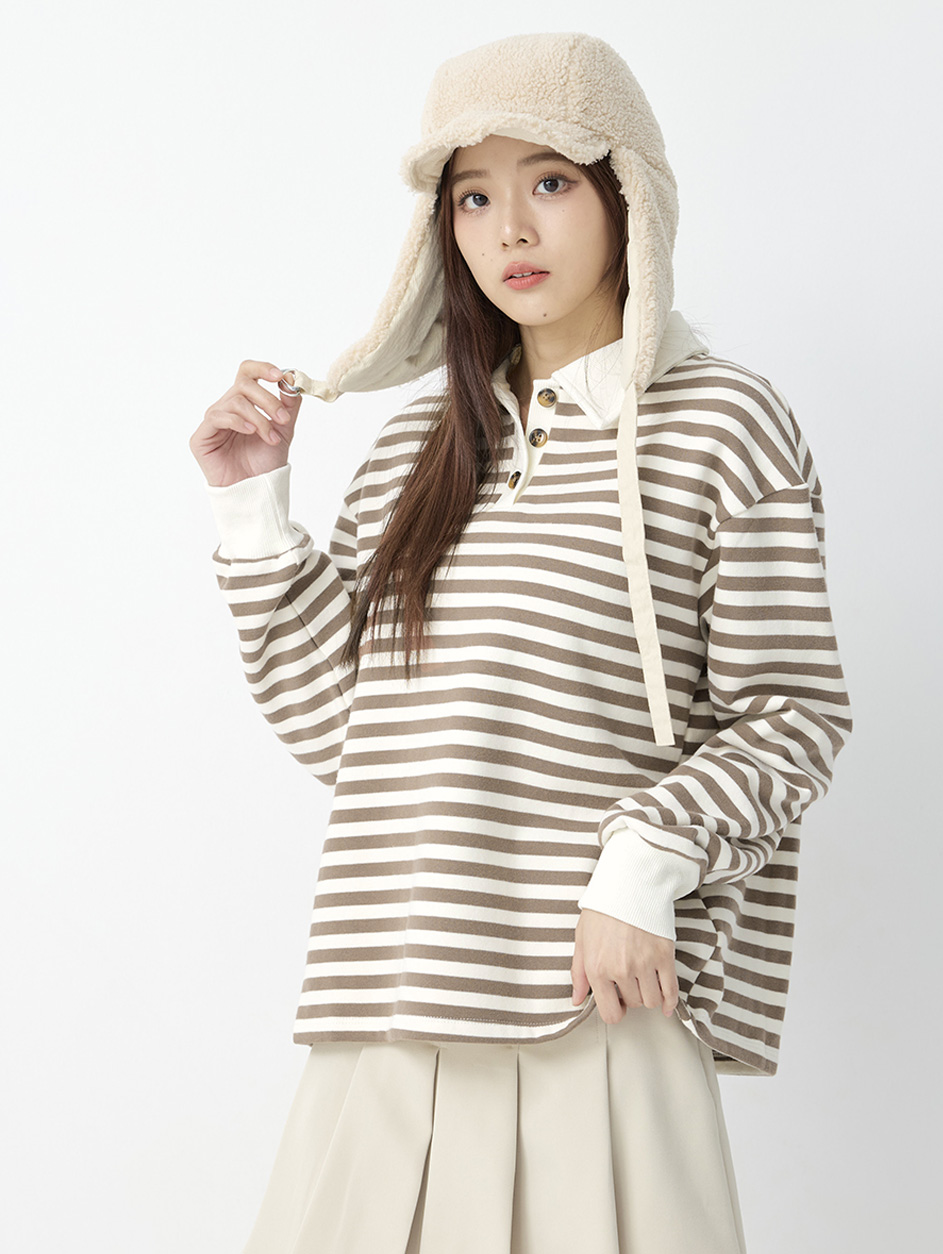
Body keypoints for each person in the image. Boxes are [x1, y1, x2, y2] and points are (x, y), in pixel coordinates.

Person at [189, 31, 852, 1254]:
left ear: (626, 194)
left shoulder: (724, 424)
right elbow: (346, 734)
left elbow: (793, 715)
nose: (512, 230)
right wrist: (253, 510)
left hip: (593, 1002)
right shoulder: (417, 448)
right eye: (474, 198)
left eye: (550, 181)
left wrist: (638, 871)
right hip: (391, 992)